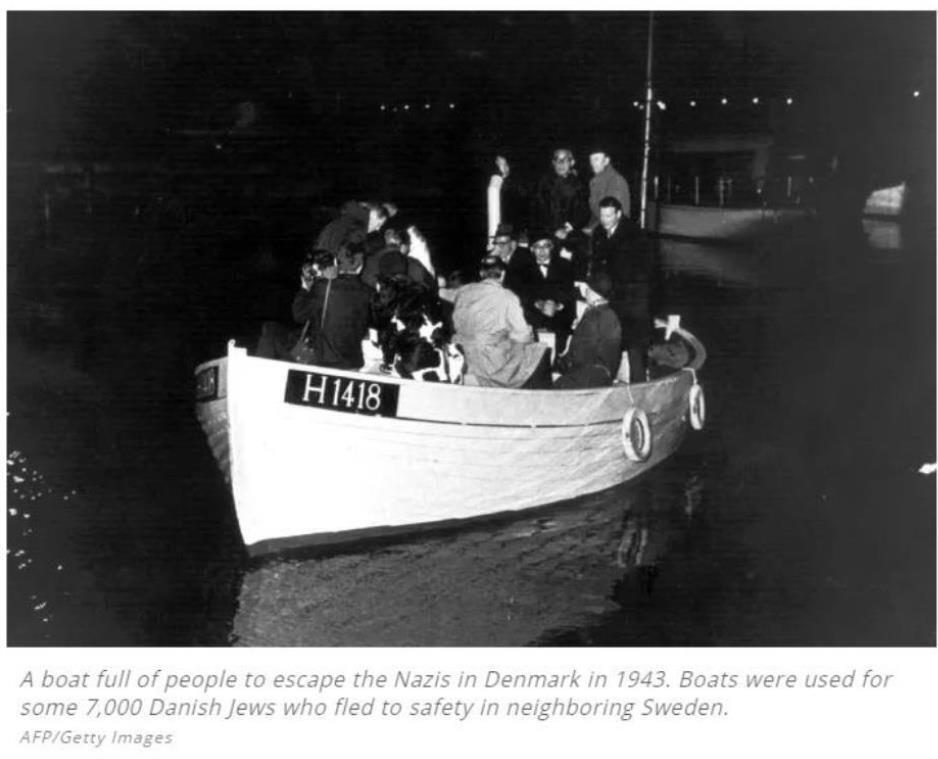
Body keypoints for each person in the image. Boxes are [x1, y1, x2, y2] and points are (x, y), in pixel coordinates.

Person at [452, 256, 552, 388]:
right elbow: (522, 336)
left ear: (481, 273)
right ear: (503, 274)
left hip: (461, 350)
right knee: (539, 351)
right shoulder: (507, 296)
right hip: (488, 360)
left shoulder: (463, 292)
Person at [591, 196, 655, 383]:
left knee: (635, 345)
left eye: (609, 216)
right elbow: (597, 264)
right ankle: (609, 381)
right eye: (602, 215)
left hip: (634, 299)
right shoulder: (599, 233)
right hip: (612, 295)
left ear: (619, 214)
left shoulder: (635, 235)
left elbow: (640, 270)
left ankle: (639, 384)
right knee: (611, 341)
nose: (604, 220)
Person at [292, 250, 372, 370]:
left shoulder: (321, 288)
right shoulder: (367, 291)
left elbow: (299, 315)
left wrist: (305, 288)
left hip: (325, 360)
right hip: (352, 361)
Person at [529, 148, 591, 278]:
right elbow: (538, 212)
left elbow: (584, 212)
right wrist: (554, 230)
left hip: (570, 233)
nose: (561, 164)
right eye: (557, 160)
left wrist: (569, 228)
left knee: (583, 251)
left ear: (572, 162)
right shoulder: (543, 183)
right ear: (553, 163)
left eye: (565, 160)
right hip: (547, 232)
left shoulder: (580, 184)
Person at [554, 272, 622, 389]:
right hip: (591, 373)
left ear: (595, 293)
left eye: (588, 289)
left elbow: (585, 352)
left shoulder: (600, 316)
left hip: (590, 376)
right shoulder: (601, 313)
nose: (585, 292)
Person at [516, 232, 576, 352]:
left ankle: (559, 360)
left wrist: (557, 305)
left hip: (560, 316)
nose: (542, 250)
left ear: (551, 247)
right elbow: (522, 295)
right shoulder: (523, 268)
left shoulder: (565, 265)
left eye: (546, 246)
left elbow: (569, 292)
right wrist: (539, 304)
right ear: (532, 249)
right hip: (535, 318)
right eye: (538, 246)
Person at [314, 200, 388, 257]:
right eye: (378, 224)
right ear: (371, 217)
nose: (378, 229)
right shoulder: (355, 231)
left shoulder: (345, 220)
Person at [585, 147, 631, 233]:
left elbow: (612, 216)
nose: (592, 163)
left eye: (596, 159)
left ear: (606, 161)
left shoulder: (615, 181)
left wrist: (593, 230)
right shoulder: (595, 181)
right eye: (591, 160)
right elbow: (595, 213)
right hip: (600, 228)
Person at [491, 223, 536, 297]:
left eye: (502, 243)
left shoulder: (526, 258)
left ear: (513, 244)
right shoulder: (492, 256)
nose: (498, 247)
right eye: (496, 243)